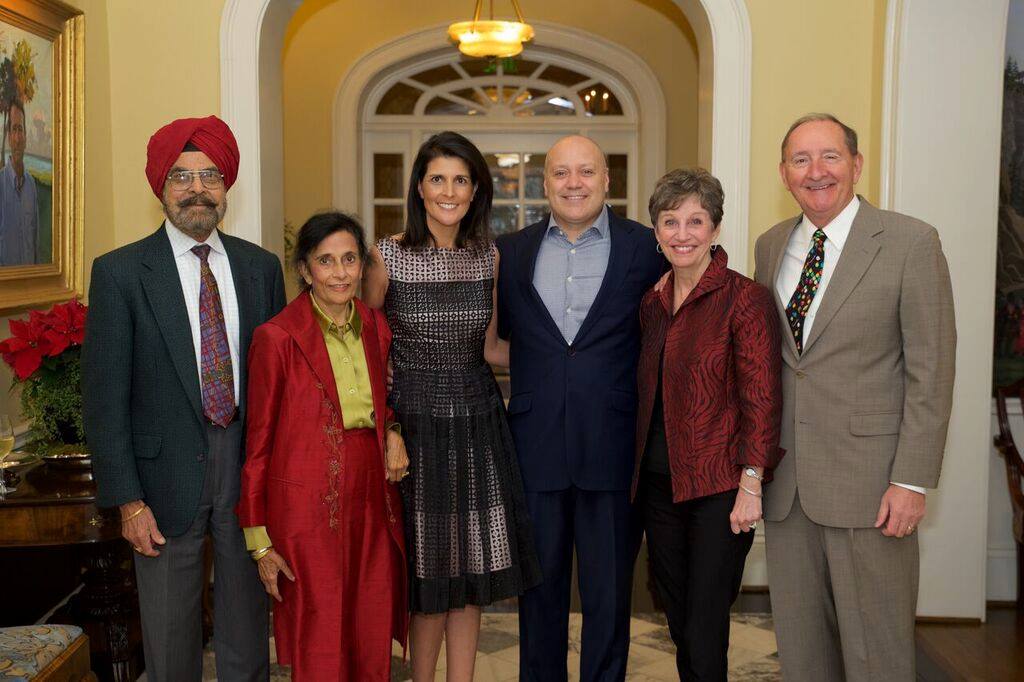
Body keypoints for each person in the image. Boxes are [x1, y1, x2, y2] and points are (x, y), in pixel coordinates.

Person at [753, 113, 956, 681]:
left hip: (873, 486)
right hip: (788, 485)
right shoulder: (770, 246)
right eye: (800, 160)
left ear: (857, 164)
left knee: (879, 653)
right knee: (801, 650)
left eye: (830, 157)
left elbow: (932, 370)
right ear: (784, 174)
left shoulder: (911, 241)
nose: (816, 172)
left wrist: (911, 480)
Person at [82, 115, 285, 682]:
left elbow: (278, 386)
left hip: (244, 471)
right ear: (160, 187)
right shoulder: (121, 273)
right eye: (181, 176)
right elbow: (104, 398)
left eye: (211, 175)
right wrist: (127, 502)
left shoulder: (259, 268)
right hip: (160, 479)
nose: (197, 189)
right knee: (171, 642)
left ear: (226, 187)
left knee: (248, 628)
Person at [363, 130, 541, 682]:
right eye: (437, 178)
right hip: (412, 432)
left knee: (472, 571)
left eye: (460, 180)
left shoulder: (489, 256)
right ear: (419, 188)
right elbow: (367, 351)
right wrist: (386, 426)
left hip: (477, 426)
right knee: (428, 577)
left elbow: (490, 348)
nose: (449, 190)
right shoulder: (386, 255)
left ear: (475, 191)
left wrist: (568, 357)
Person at [496, 134, 665, 681]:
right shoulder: (510, 251)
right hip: (534, 445)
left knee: (609, 599)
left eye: (586, 172)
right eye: (562, 173)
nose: (574, 183)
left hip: (613, 447)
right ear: (544, 183)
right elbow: (494, 342)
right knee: (538, 597)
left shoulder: (647, 248)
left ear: (607, 179)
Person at [237, 211, 409, 681]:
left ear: (363, 265)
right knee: (320, 635)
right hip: (306, 508)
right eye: (326, 261)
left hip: (373, 495)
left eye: (350, 259)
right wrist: (258, 540)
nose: (340, 273)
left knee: (370, 621)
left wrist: (393, 431)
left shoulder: (376, 327)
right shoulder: (276, 339)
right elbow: (257, 445)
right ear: (305, 269)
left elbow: (379, 404)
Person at [633, 167, 782, 680]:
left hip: (720, 487)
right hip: (658, 487)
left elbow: (761, 398)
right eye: (670, 221)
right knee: (677, 617)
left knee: (704, 621)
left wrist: (752, 482)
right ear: (655, 231)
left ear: (716, 229)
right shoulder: (652, 303)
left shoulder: (745, 299)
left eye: (695, 221)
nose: (682, 234)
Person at [0, 100, 39, 266]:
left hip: (31, 286)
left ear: (25, 137)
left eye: (20, 129)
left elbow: (35, 241)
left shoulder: (31, 186)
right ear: (9, 137)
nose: (17, 138)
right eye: (14, 129)